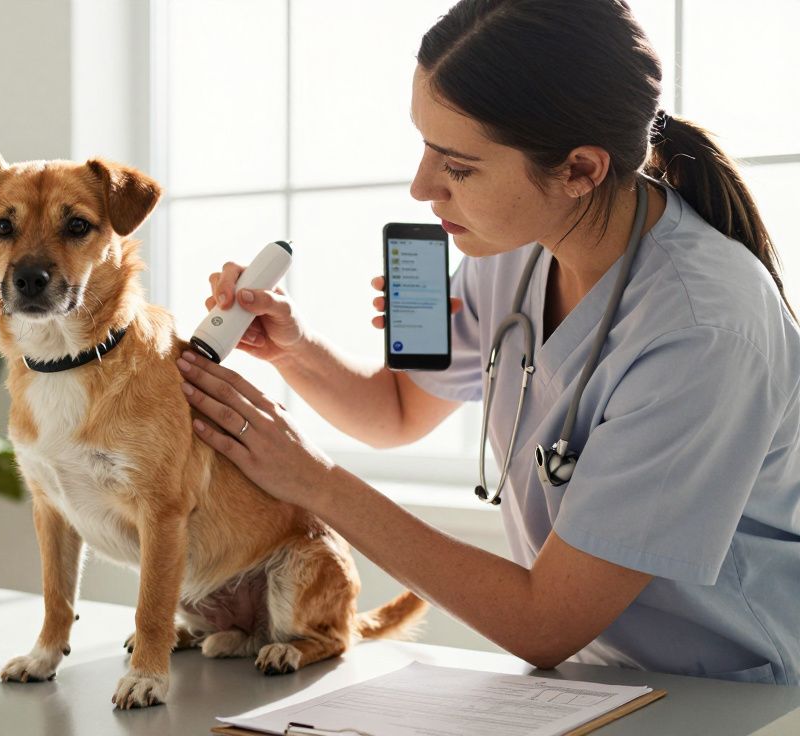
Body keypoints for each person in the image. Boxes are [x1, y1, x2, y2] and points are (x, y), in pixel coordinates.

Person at [175, 0, 799, 686]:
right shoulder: (516, 248)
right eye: (424, 146)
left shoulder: (703, 332)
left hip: (737, 695)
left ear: (580, 171)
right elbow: (397, 413)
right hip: (597, 683)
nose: (421, 186)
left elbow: (546, 623)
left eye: (459, 166)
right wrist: (294, 348)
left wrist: (314, 484)